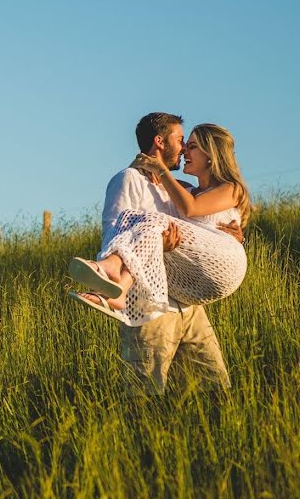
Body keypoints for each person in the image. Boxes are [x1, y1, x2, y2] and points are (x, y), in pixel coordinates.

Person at [68, 113, 244, 393]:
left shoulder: (179, 189)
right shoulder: (129, 179)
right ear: (160, 142)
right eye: (180, 140)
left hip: (188, 301)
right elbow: (115, 230)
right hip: (150, 304)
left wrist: (227, 236)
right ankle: (114, 283)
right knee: (145, 391)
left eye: (190, 144)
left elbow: (200, 218)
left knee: (214, 389)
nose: (185, 147)